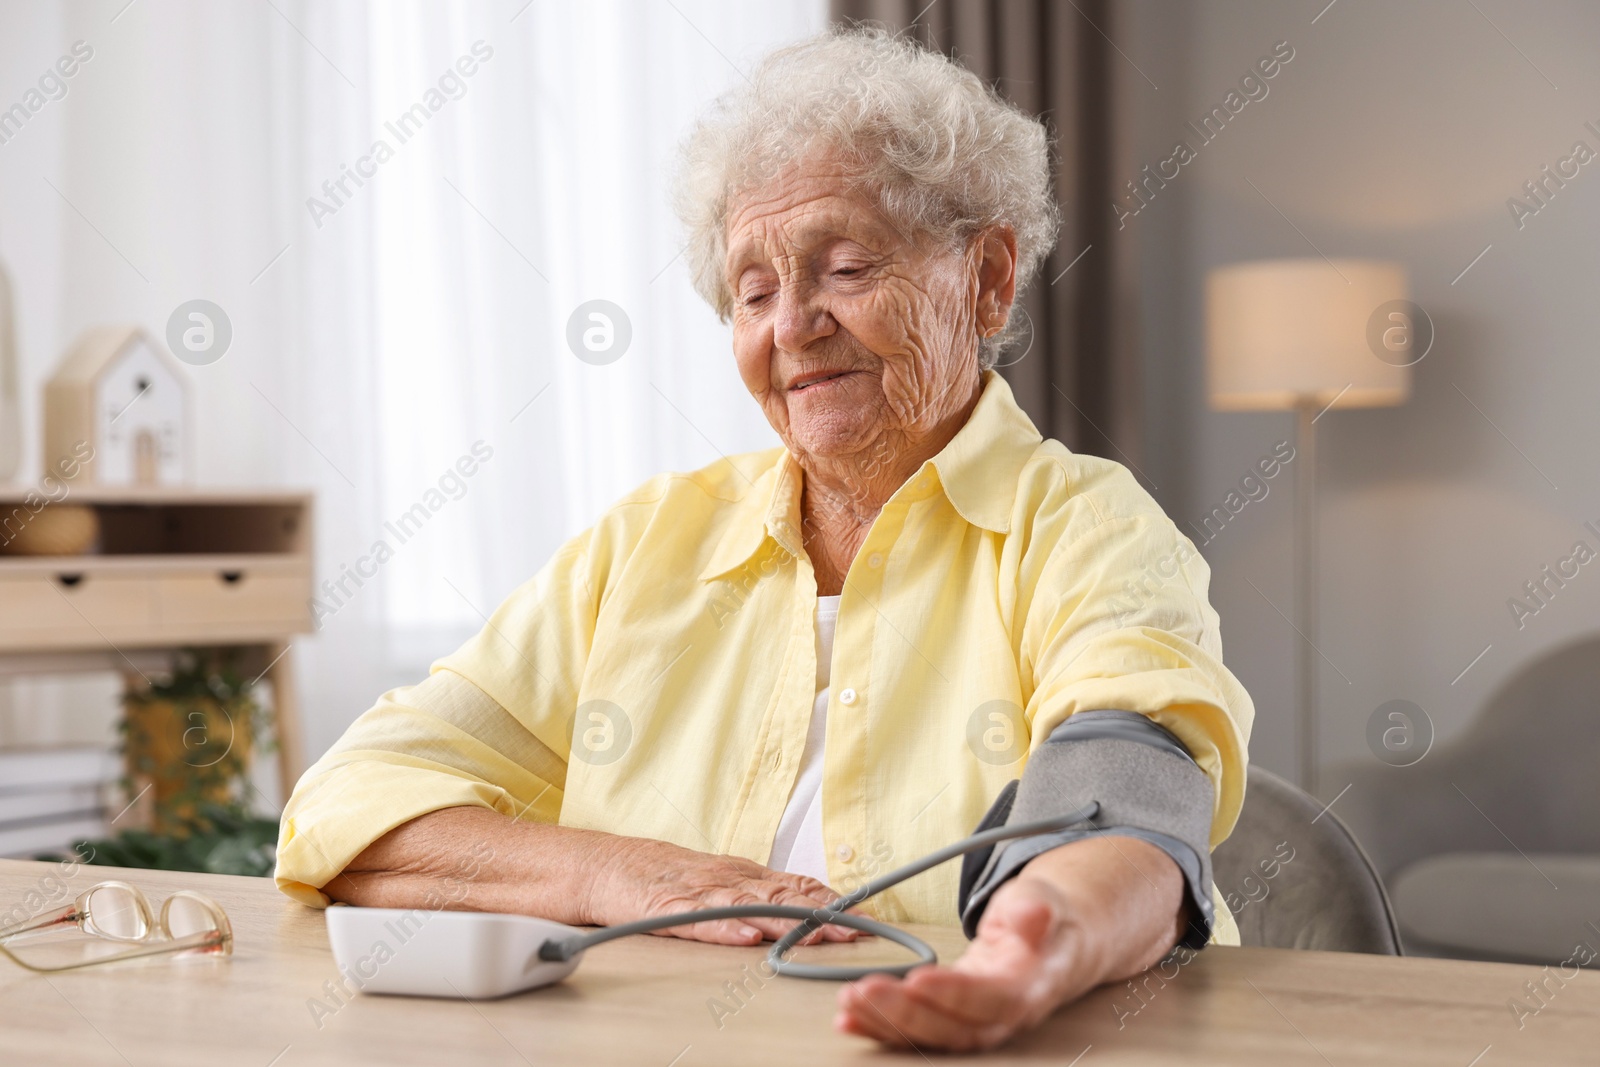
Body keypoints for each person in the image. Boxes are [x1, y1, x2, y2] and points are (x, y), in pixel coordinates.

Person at [276, 27, 1253, 1051]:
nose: (790, 326)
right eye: (751, 291)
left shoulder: (1085, 527)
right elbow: (349, 803)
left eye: (844, 266)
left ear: (988, 277)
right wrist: (624, 873)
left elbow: (1127, 798)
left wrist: (1026, 951)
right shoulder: (643, 547)